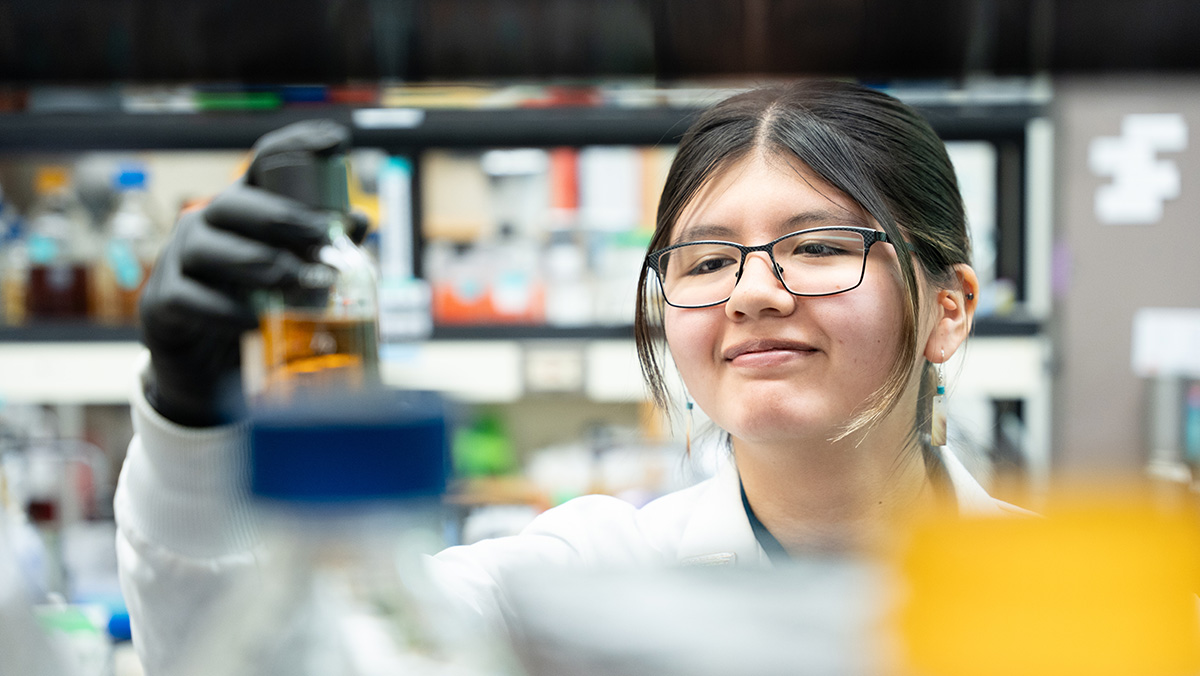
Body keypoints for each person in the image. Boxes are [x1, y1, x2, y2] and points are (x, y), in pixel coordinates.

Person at [113, 80, 1028, 675]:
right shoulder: (574, 589)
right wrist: (188, 413)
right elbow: (258, 662)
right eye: (705, 262)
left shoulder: (1078, 600)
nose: (752, 293)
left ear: (948, 307)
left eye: (820, 246)